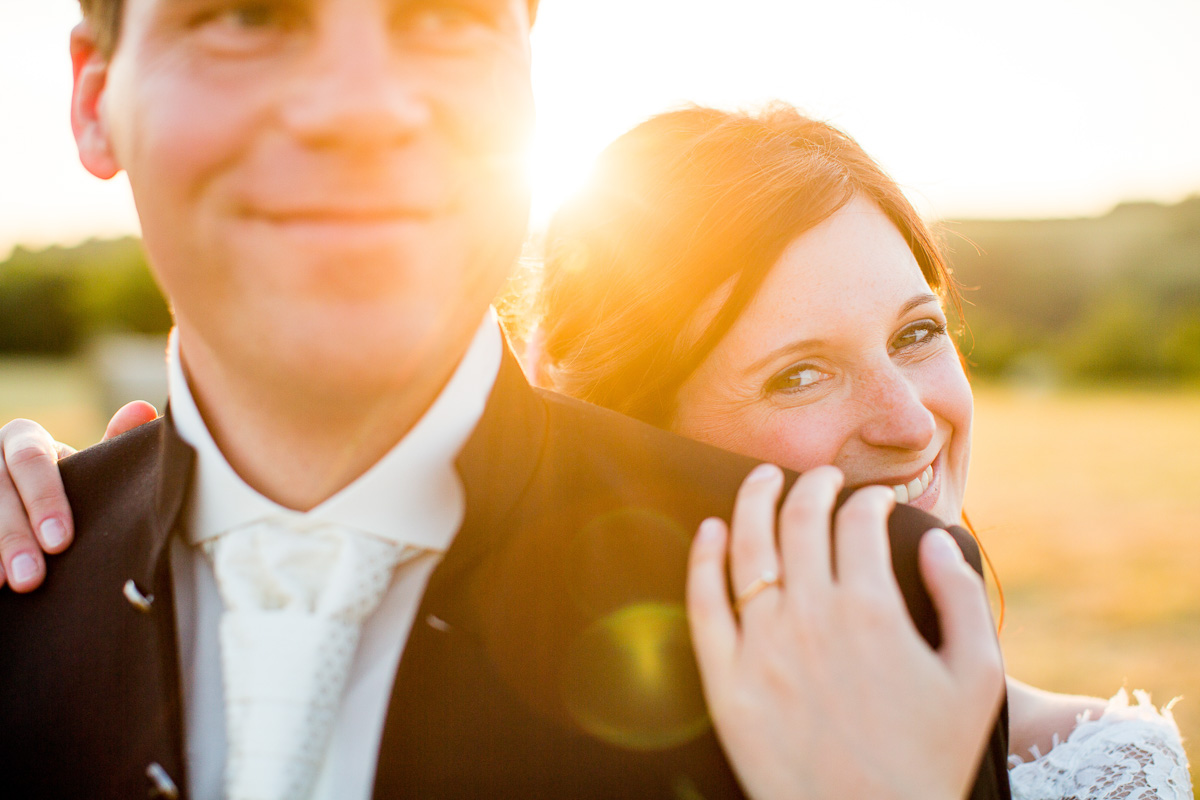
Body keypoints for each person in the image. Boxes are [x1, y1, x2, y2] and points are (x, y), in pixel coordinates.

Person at [0, 3, 1011, 800]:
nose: (359, 105)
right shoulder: (25, 584)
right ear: (94, 97)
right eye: (248, 15)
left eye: (442, 14)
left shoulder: (881, 608)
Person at [529, 105, 1191, 798]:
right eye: (799, 375)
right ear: (633, 438)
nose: (909, 423)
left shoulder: (1111, 771)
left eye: (915, 333)